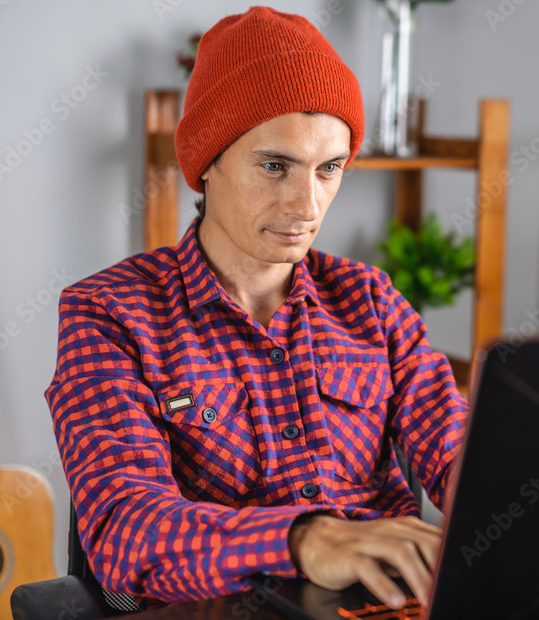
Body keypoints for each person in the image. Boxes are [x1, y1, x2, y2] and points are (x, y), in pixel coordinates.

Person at [46, 6, 467, 610]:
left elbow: (460, 454)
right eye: (276, 166)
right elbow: (126, 530)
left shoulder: (370, 300)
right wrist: (305, 539)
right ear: (207, 161)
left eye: (329, 170)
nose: (307, 205)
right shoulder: (111, 314)